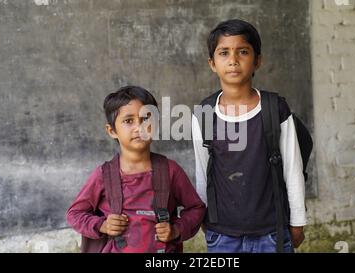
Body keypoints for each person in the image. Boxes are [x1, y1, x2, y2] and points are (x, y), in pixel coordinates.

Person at [192, 19, 306, 253]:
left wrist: (297, 222)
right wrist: (205, 219)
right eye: (224, 53)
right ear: (212, 63)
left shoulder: (276, 109)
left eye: (242, 51)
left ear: (257, 60)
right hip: (222, 235)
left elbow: (293, 170)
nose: (233, 60)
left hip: (272, 232)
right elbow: (203, 172)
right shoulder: (204, 114)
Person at [67, 86, 205, 253]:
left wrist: (176, 229)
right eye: (128, 121)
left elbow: (196, 208)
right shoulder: (104, 175)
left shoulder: (170, 170)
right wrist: (102, 225)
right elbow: (74, 214)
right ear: (112, 131)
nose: (139, 127)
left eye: (146, 118)